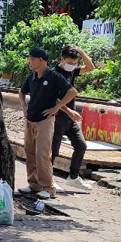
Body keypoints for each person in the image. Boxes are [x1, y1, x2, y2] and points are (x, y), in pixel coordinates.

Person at [18, 48, 77, 199]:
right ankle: (34, 184)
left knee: (42, 154)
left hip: (45, 121)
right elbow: (21, 91)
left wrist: (57, 107)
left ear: (41, 60)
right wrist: (24, 106)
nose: (29, 62)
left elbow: (72, 92)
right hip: (30, 119)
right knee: (30, 152)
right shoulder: (32, 77)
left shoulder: (53, 76)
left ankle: (48, 187)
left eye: (32, 59)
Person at [53, 45, 94, 191]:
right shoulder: (53, 74)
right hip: (58, 117)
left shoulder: (73, 72)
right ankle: (48, 180)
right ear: (62, 59)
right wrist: (69, 111)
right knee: (53, 151)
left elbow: (90, 68)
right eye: (70, 63)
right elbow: (53, 98)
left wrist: (81, 51)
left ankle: (73, 177)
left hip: (70, 118)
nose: (72, 66)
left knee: (81, 145)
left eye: (74, 63)